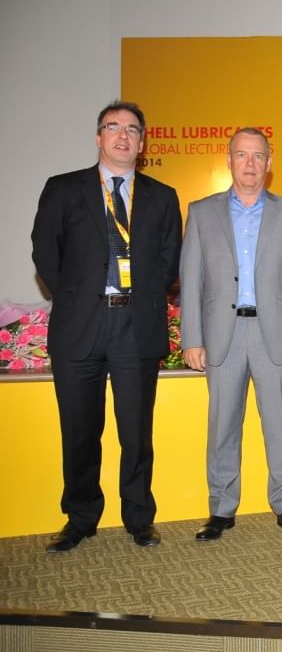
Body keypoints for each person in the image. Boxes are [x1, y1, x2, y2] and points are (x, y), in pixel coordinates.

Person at [31, 100, 182, 552]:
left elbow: (168, 260)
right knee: (79, 430)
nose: (122, 135)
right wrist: (79, 297)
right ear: (99, 137)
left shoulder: (162, 196)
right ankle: (80, 517)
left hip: (137, 325)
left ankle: (138, 516)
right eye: (113, 127)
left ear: (142, 142)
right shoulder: (63, 189)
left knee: (136, 431)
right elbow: (45, 252)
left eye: (132, 129)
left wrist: (135, 297)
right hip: (80, 325)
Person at [180, 127, 282, 541]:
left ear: (269, 162)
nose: (250, 163)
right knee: (222, 425)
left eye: (258, 156)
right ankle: (221, 509)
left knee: (280, 425)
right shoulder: (201, 213)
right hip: (221, 335)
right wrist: (192, 338)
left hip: (274, 334)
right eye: (242, 155)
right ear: (229, 160)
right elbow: (191, 281)